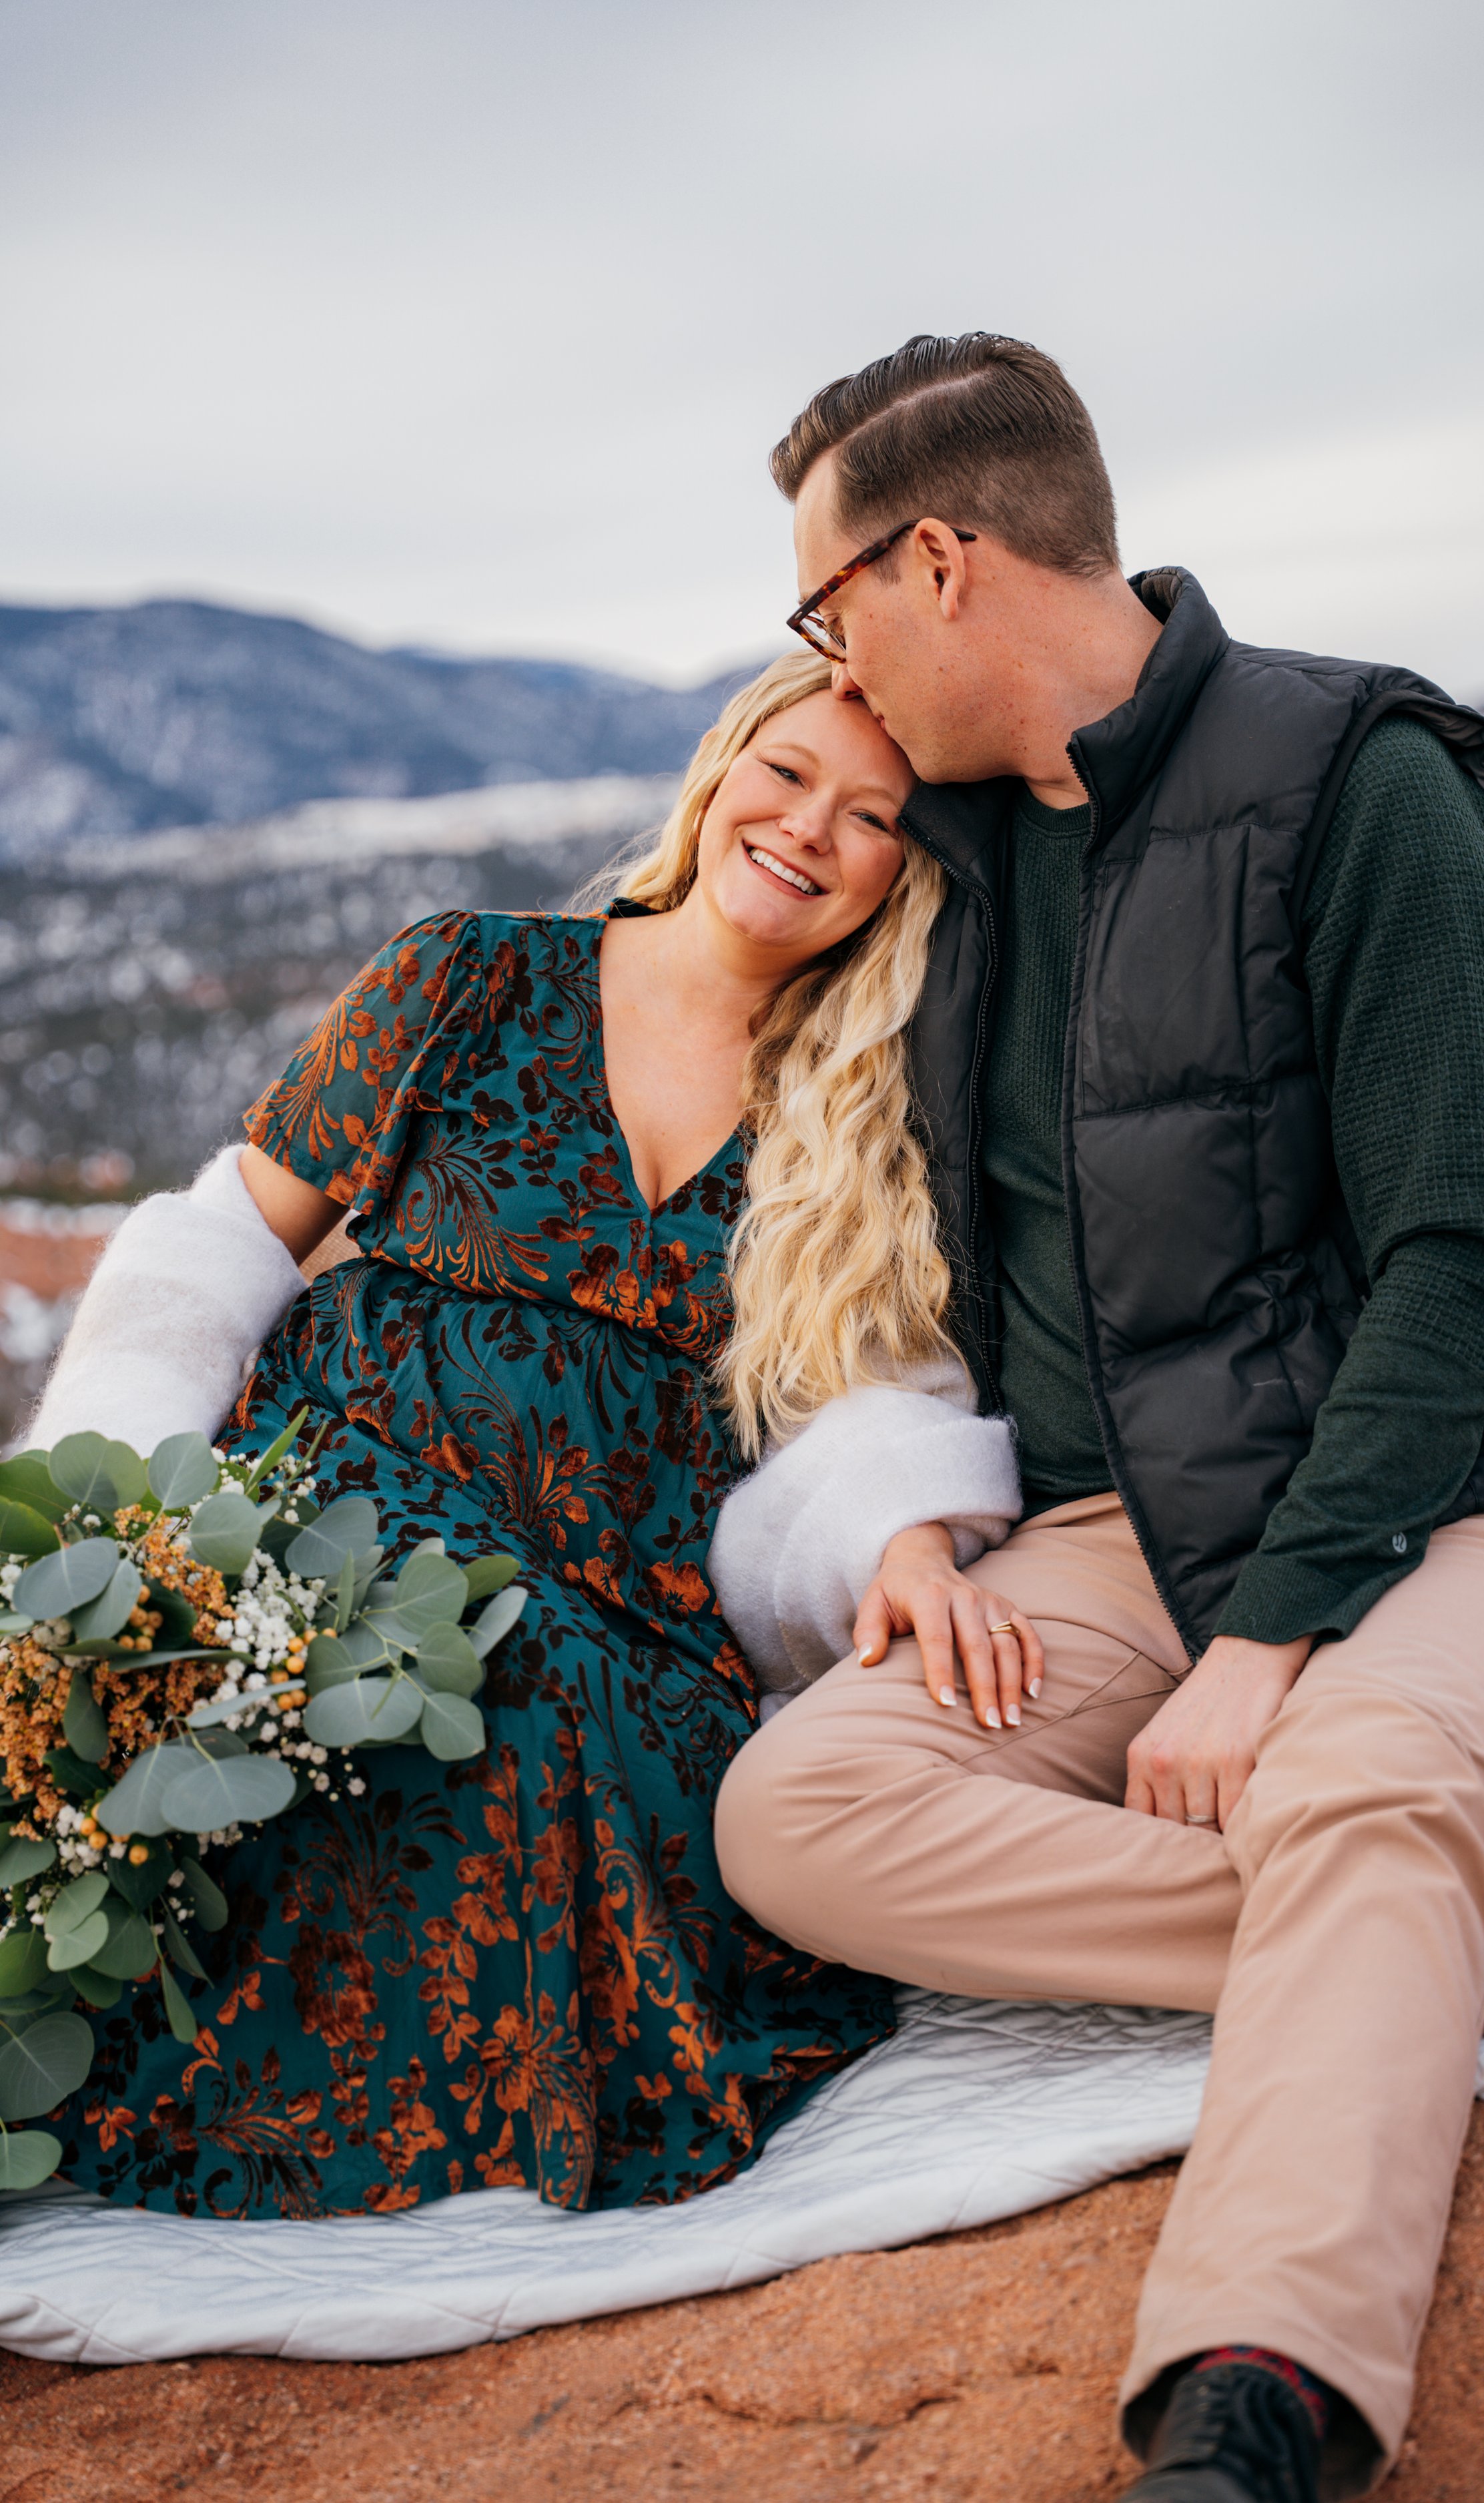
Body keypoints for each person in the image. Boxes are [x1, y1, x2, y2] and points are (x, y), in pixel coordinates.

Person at [711, 336, 1484, 2500]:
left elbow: (1460, 1264)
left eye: (828, 605)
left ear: (938, 561)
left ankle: (1251, 2408)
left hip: (1430, 1512)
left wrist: (1268, 1638)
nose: (829, 662)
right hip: (1106, 1537)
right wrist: (901, 1513)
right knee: (797, 1812)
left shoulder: (1361, 778)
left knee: (1352, 1786)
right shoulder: (948, 859)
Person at [32, 651, 1000, 2218]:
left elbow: (870, 1381)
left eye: (871, 817)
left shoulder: (863, 1110)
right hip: (346, 1494)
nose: (808, 829)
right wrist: (120, 1501)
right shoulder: (468, 976)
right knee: (409, 1689)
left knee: (561, 1702)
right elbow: (229, 1237)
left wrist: (907, 1533)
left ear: (906, 871)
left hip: (626, 1591)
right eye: (785, 774)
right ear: (717, 775)